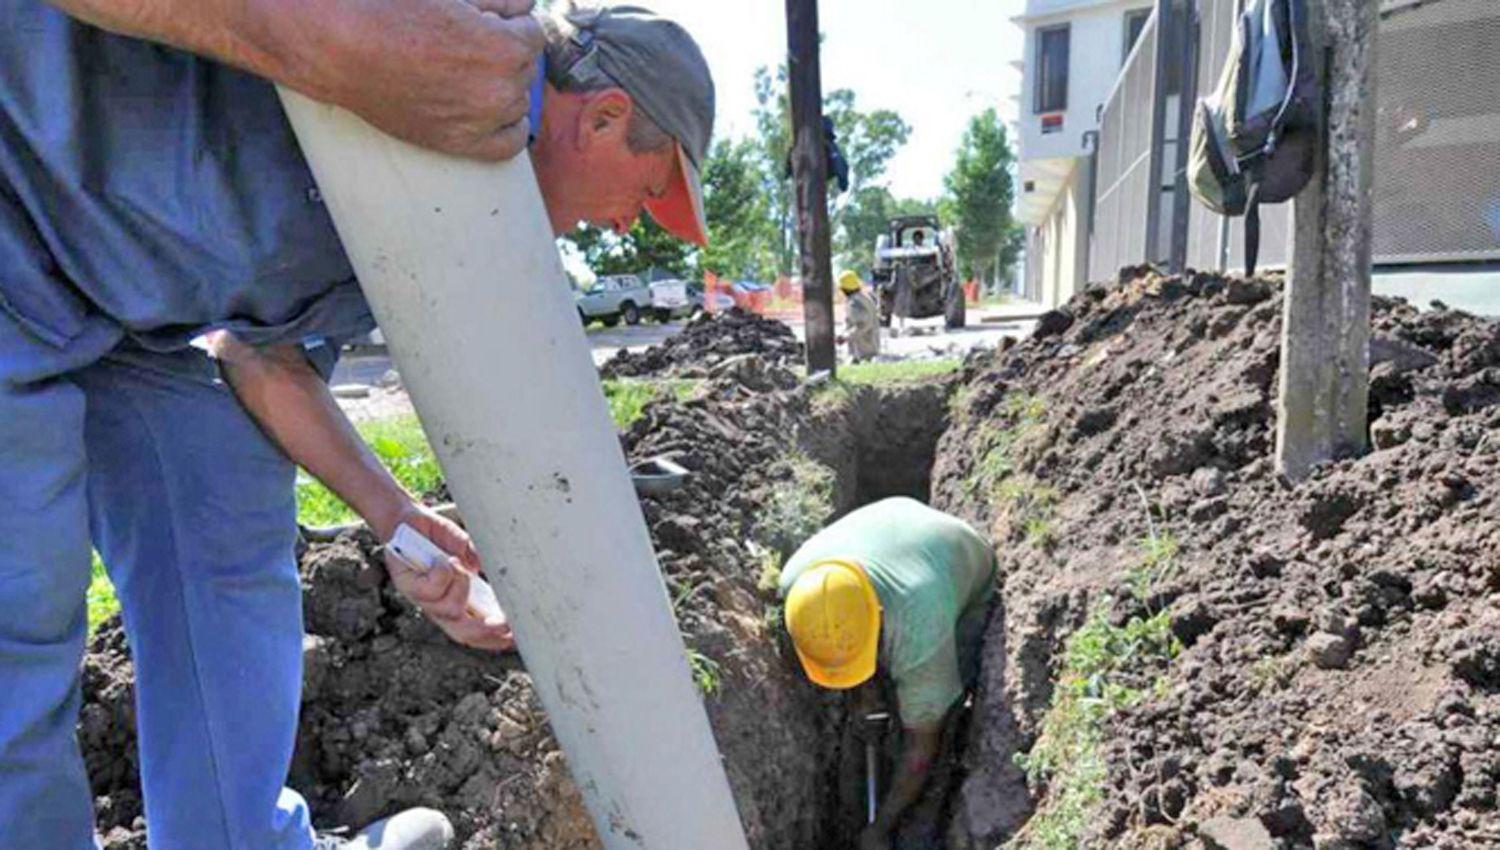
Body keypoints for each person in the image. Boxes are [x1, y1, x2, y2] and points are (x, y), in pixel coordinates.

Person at [0, 1, 712, 848]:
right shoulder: (435, 43)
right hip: (17, 213)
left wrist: (393, 515)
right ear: (602, 117)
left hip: (137, 314)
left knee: (226, 532)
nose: (631, 222)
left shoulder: (451, 208)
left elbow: (264, 360)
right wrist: (328, 40)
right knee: (20, 623)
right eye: (650, 188)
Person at [778, 498, 996, 850]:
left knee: (940, 715)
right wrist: (863, 698)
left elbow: (921, 745)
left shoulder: (922, 626)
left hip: (959, 557)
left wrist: (880, 828)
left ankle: (924, 812)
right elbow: (839, 638)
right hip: (891, 528)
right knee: (881, 668)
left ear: (878, 612)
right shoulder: (800, 589)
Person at [839, 270, 880, 363]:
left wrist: (845, 337)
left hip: (863, 350)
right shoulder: (864, 297)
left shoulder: (854, 302)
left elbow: (862, 325)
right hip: (870, 346)